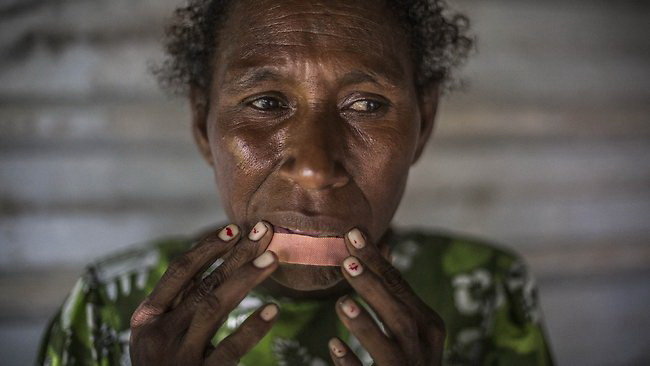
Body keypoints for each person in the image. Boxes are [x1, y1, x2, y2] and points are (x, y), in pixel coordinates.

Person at [37, 0, 554, 364]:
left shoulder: (488, 291)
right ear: (201, 121)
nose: (314, 168)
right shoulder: (109, 308)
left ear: (425, 120)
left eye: (367, 105)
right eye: (265, 102)